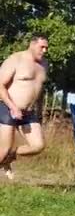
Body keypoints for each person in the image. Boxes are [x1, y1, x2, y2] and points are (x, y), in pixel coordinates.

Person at [0, 34, 49, 179]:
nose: (45, 50)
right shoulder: (16, 59)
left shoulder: (44, 65)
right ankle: (5, 156)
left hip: (28, 113)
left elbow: (38, 89)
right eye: (42, 47)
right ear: (32, 44)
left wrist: (39, 111)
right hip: (7, 108)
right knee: (3, 150)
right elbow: (0, 85)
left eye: (46, 47)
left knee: (38, 146)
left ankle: (9, 156)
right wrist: (13, 107)